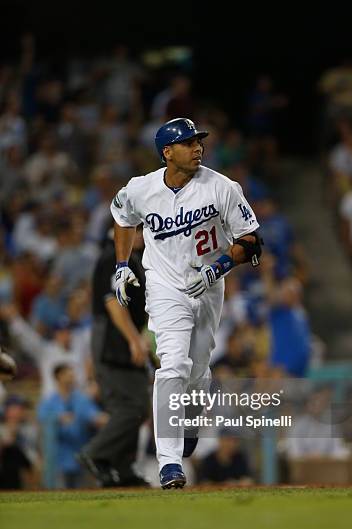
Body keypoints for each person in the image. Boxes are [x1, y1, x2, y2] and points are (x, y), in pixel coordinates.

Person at [111, 117, 262, 489]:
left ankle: (192, 412)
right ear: (167, 152)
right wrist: (120, 265)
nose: (198, 147)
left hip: (208, 286)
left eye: (199, 142)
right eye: (188, 142)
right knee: (172, 364)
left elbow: (252, 240)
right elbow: (121, 217)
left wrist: (220, 267)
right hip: (164, 287)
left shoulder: (222, 187)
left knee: (196, 372)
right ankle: (169, 464)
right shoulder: (141, 188)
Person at [78, 227, 150, 487]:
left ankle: (121, 466)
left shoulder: (130, 258)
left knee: (138, 403)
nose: (144, 234)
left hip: (122, 337)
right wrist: (133, 339)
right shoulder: (114, 257)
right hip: (113, 339)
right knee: (130, 405)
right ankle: (97, 454)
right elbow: (113, 302)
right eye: (139, 228)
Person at [38, 364, 108, 489]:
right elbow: (42, 421)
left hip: (79, 456)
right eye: (67, 373)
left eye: (72, 373)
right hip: (58, 458)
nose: (72, 376)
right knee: (58, 493)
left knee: (81, 493)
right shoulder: (49, 401)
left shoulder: (80, 399)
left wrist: (113, 421)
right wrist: (57, 418)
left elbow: (94, 416)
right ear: (58, 377)